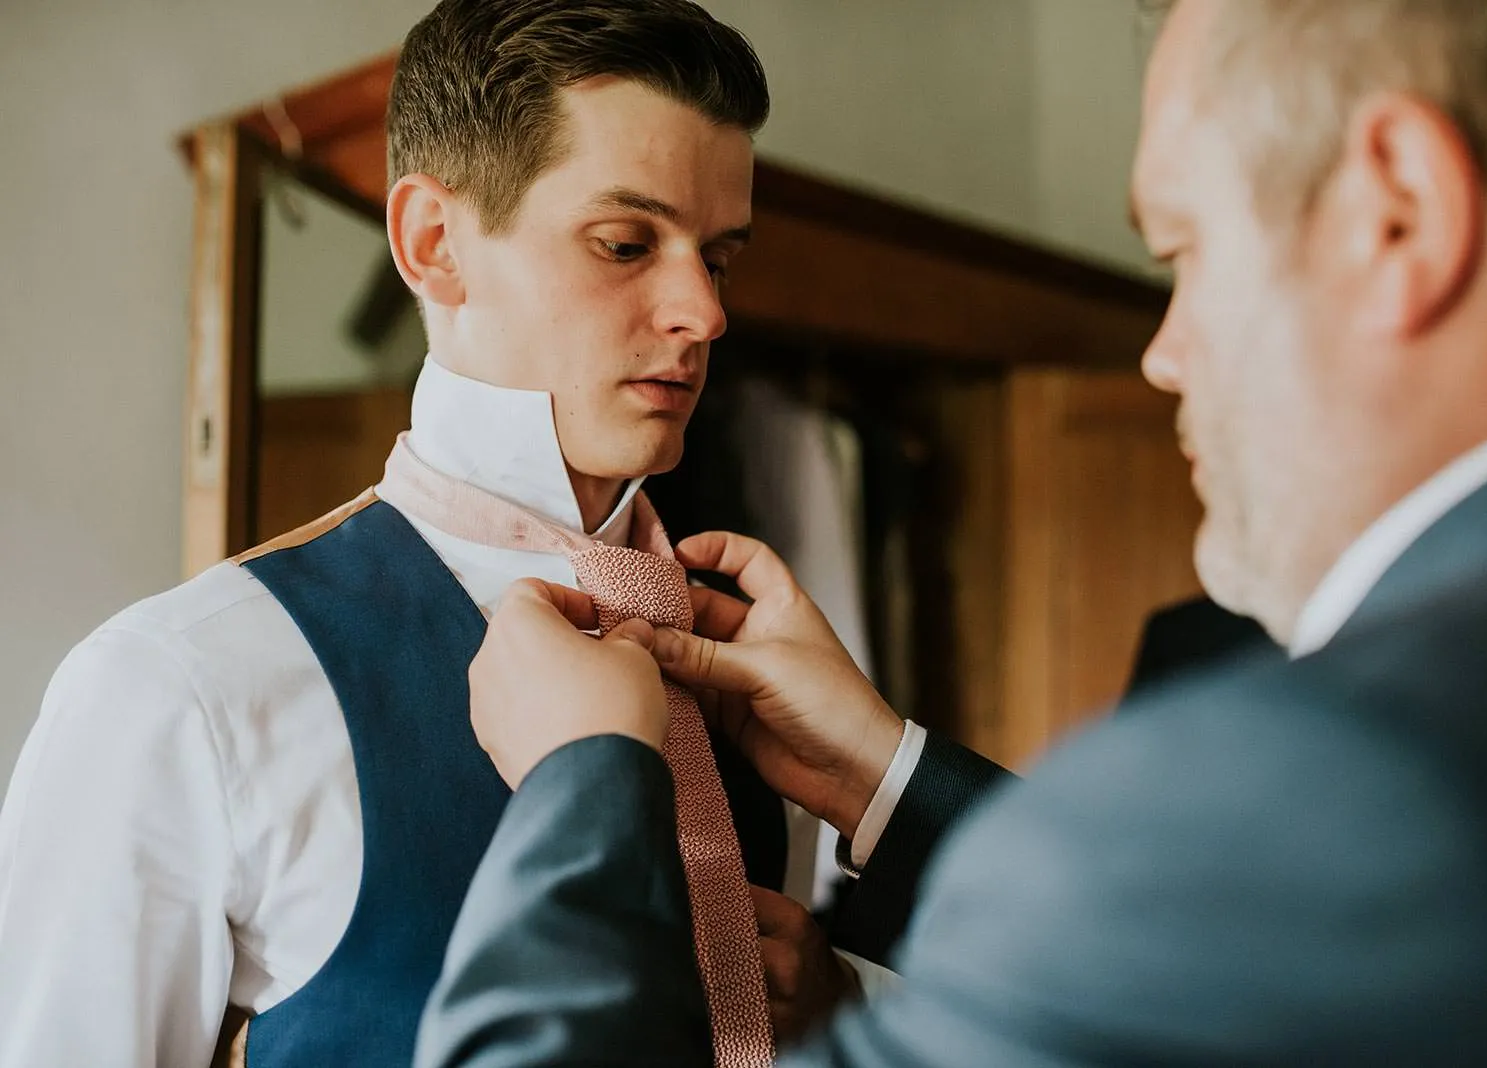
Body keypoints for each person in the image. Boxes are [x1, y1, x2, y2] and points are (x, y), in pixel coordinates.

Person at [414, 0, 1487, 1064]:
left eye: (1183, 255)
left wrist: (580, 792)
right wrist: (884, 770)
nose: (1160, 353)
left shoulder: (1313, 790)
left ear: (1398, 214)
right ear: (433, 246)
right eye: (627, 243)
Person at [0, 3, 851, 1065]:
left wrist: (838, 1013)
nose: (703, 312)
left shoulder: (748, 672)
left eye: (717, 259)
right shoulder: (182, 687)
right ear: (434, 244)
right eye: (626, 243)